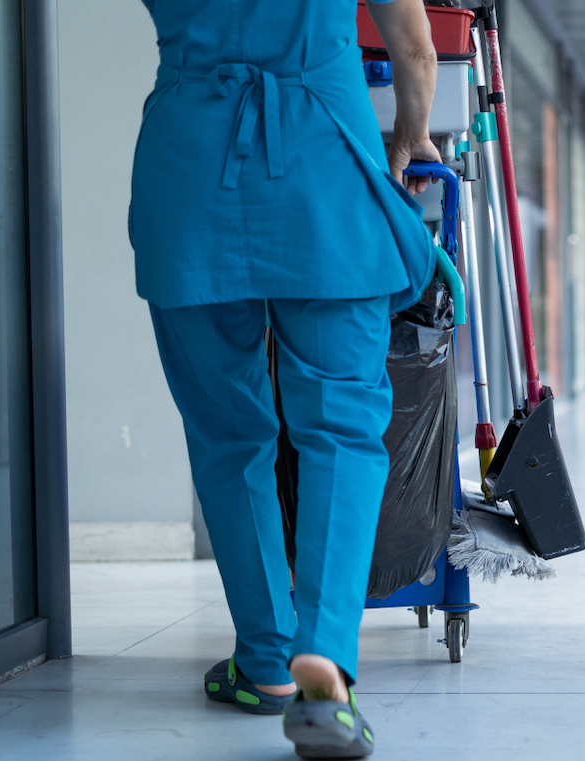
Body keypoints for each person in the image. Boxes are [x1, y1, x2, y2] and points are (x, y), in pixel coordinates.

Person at [129, 0, 443, 757]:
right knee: (340, 427)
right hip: (324, 170)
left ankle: (266, 656)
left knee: (227, 433)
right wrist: (411, 132)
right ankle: (322, 668)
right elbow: (415, 45)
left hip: (189, 171)